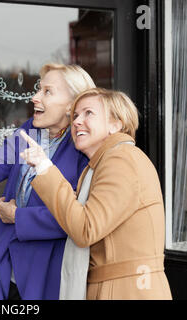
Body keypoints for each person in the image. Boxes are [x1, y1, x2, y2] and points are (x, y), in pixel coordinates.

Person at [20, 88, 172, 299]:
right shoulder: (106, 162)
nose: (76, 121)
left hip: (126, 291)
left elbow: (85, 228)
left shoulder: (120, 160)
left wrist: (45, 168)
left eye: (88, 113)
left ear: (115, 124)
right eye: (75, 116)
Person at [0, 63, 96, 299]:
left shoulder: (83, 149)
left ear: (71, 105)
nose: (34, 98)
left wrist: (18, 217)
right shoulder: (29, 132)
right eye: (38, 89)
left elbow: (80, 219)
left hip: (46, 274)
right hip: (6, 266)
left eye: (47, 91)